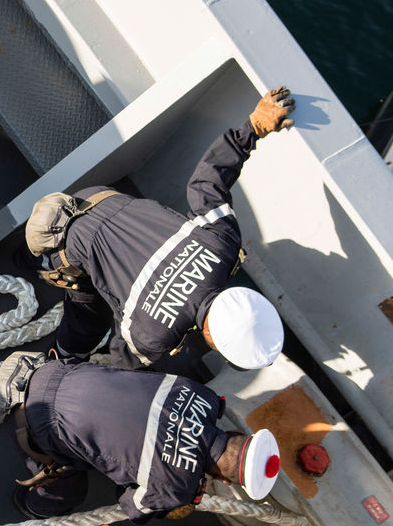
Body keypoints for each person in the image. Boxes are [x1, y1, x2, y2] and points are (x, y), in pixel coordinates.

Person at [20, 86, 295, 371]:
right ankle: (63, 357)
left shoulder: (223, 244)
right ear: (214, 340)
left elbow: (207, 181)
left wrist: (253, 128)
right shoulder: (153, 337)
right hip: (63, 245)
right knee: (89, 319)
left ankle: (24, 257)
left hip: (96, 198)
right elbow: (122, 363)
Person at [0, 351, 282, 522]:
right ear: (226, 481)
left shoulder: (201, 394)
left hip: (50, 370)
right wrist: (177, 501)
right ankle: (33, 505)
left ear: (237, 432)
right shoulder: (176, 487)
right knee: (69, 487)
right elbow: (130, 504)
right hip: (32, 418)